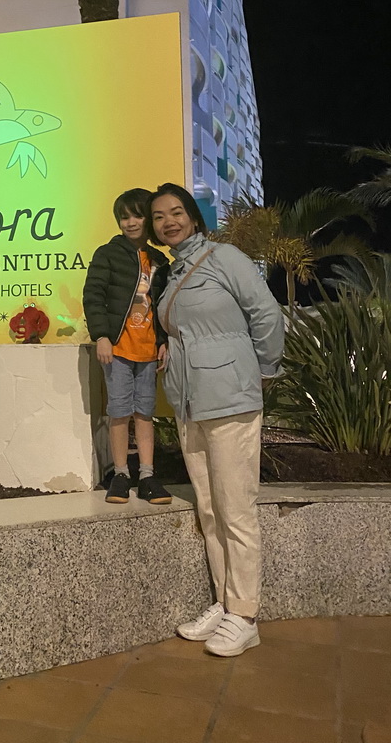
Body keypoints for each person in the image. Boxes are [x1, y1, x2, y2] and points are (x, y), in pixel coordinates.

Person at [147, 183, 284, 657]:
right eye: (160, 216)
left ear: (194, 216)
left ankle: (246, 615)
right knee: (210, 509)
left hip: (229, 398)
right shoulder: (171, 271)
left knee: (236, 508)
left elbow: (266, 314)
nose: (169, 221)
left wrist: (264, 372)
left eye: (177, 211)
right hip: (189, 402)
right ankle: (225, 603)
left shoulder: (225, 258)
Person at [83, 188, 172, 505]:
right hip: (118, 349)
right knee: (119, 412)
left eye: (137, 215)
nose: (130, 222)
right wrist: (102, 336)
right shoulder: (107, 254)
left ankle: (147, 475)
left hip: (148, 351)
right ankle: (120, 474)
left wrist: (163, 340)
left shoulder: (160, 260)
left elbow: (162, 306)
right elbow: (93, 296)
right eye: (124, 216)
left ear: (148, 218)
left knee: (145, 413)